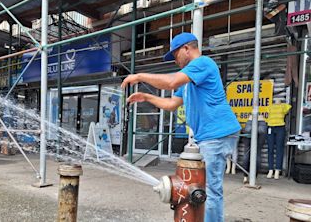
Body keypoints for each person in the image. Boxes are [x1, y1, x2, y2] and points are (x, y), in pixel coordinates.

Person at [121, 32, 241, 222]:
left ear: (187, 48)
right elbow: (171, 104)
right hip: (209, 135)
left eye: (175, 55)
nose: (175, 61)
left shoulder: (203, 63)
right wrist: (146, 97)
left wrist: (139, 76)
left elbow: (170, 81)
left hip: (218, 132)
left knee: (209, 188)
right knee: (201, 186)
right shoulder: (188, 80)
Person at [266, 98, 291, 179]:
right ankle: (270, 169)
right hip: (270, 127)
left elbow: (289, 107)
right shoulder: (270, 107)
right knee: (270, 149)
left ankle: (277, 170)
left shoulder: (284, 106)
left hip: (280, 128)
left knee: (279, 149)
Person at [242, 115, 268, 184]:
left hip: (250, 121)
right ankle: (254, 178)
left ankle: (245, 177)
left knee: (247, 152)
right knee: (258, 152)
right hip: (262, 122)